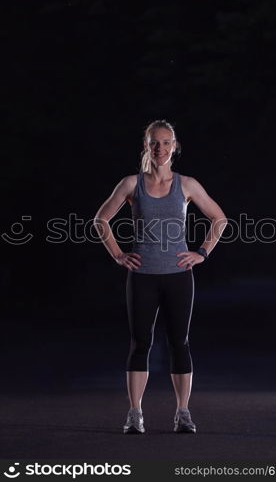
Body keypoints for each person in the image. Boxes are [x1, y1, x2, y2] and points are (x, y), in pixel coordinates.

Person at [94, 119, 227, 434]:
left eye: (167, 142)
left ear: (175, 146)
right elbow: (101, 220)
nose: (160, 148)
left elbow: (219, 219)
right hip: (142, 276)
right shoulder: (131, 184)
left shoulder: (187, 184)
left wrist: (202, 252)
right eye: (155, 142)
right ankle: (135, 414)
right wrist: (117, 254)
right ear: (146, 145)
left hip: (178, 275)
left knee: (180, 342)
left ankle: (183, 412)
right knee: (140, 343)